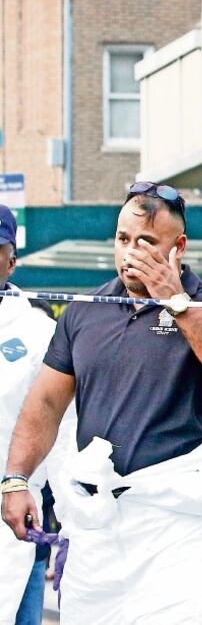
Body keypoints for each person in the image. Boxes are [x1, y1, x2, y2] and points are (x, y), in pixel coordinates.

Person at [2, 184, 202, 623]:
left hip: (180, 518)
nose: (131, 252)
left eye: (147, 242)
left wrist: (177, 303)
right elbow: (45, 403)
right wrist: (16, 479)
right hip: (99, 522)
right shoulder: (86, 311)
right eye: (124, 239)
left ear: (178, 247)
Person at [0, 205, 73, 625]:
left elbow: (60, 423)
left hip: (14, 511)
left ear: (11, 262)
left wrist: (68, 507)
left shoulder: (36, 331)